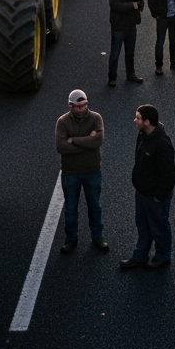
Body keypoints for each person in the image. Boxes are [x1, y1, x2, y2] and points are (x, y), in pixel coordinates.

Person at [120, 105, 175, 269]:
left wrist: (159, 196)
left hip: (154, 196)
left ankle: (163, 256)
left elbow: (169, 175)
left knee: (159, 226)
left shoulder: (162, 144)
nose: (135, 120)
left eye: (138, 118)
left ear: (147, 121)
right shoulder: (143, 135)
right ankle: (140, 256)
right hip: (142, 192)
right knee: (143, 226)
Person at [55, 90, 109, 253]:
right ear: (70, 105)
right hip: (70, 172)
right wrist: (88, 142)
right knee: (71, 208)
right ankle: (71, 239)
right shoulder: (62, 122)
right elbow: (61, 147)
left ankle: (97, 238)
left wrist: (74, 141)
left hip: (92, 171)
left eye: (83, 105)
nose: (81, 109)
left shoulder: (96, 118)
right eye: (77, 106)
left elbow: (98, 140)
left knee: (95, 207)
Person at [108, 0, 144, 86]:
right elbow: (115, 6)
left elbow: (138, 1)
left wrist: (139, 4)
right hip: (118, 27)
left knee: (130, 53)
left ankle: (131, 75)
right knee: (115, 54)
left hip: (131, 26)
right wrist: (131, 5)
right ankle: (112, 78)